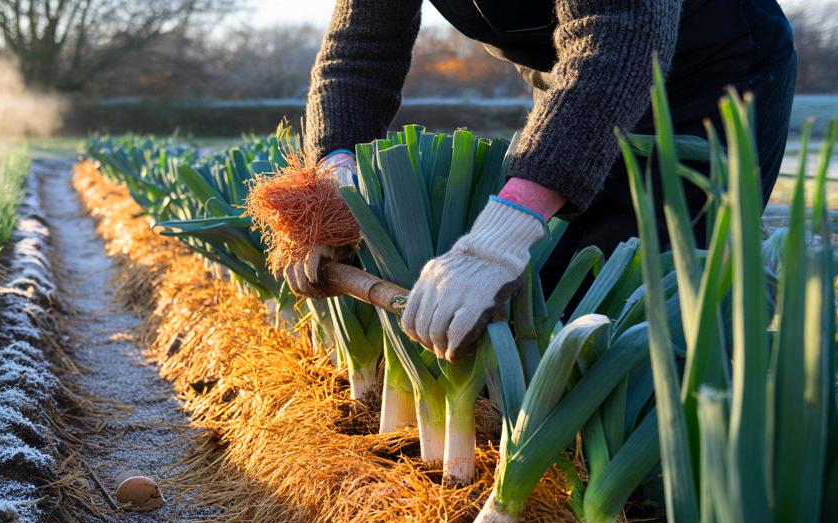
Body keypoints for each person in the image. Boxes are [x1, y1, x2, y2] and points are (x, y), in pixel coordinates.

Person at [287, 0, 796, 362]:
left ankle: (658, 500)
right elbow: (358, 54)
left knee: (649, 308)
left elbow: (619, 37)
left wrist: (498, 241)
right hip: (572, 85)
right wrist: (332, 186)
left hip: (707, 74)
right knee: (556, 305)